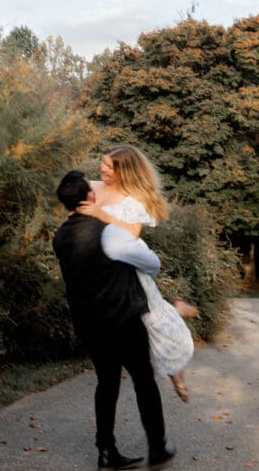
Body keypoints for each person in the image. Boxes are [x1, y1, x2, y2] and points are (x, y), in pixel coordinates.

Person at [53, 170, 175, 471]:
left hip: (88, 322)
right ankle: (157, 449)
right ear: (90, 197)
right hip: (122, 316)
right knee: (143, 380)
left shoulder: (60, 237)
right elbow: (152, 263)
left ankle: (106, 453)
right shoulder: (109, 231)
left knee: (106, 382)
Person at [77, 144, 197, 402]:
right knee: (132, 321)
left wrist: (99, 213)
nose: (103, 168)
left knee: (151, 319)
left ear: (125, 170)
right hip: (99, 269)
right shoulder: (93, 187)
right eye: (103, 163)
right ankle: (178, 308)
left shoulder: (134, 200)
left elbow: (130, 235)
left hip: (128, 268)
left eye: (109, 166)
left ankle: (177, 372)